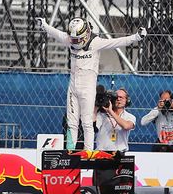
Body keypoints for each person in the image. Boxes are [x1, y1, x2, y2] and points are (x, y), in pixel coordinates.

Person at [37, 16, 146, 150]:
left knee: (87, 122)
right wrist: (44, 25)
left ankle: (88, 152)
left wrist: (136, 37)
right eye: (72, 39)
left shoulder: (96, 42)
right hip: (73, 86)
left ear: (85, 34)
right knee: (71, 122)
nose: (74, 41)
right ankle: (70, 150)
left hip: (87, 88)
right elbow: (57, 34)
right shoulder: (70, 39)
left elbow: (117, 42)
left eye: (77, 39)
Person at [94, 88, 135, 152]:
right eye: (116, 97)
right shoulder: (102, 114)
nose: (118, 99)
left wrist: (111, 112)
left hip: (120, 152)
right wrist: (95, 109)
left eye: (121, 97)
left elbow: (126, 126)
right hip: (102, 152)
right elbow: (94, 128)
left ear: (127, 100)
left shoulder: (129, 116)